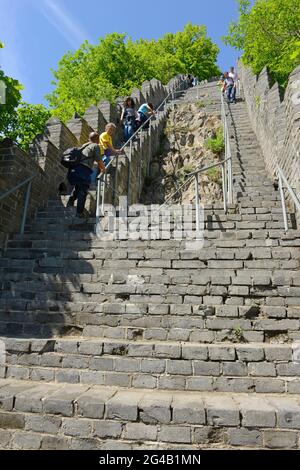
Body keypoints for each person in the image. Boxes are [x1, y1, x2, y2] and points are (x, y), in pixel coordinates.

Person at [67, 132, 105, 218]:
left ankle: (71, 201)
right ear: (98, 139)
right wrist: (103, 169)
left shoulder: (84, 145)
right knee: (83, 190)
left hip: (75, 168)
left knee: (78, 186)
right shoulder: (95, 146)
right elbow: (99, 160)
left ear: (89, 138)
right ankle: (79, 213)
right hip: (84, 169)